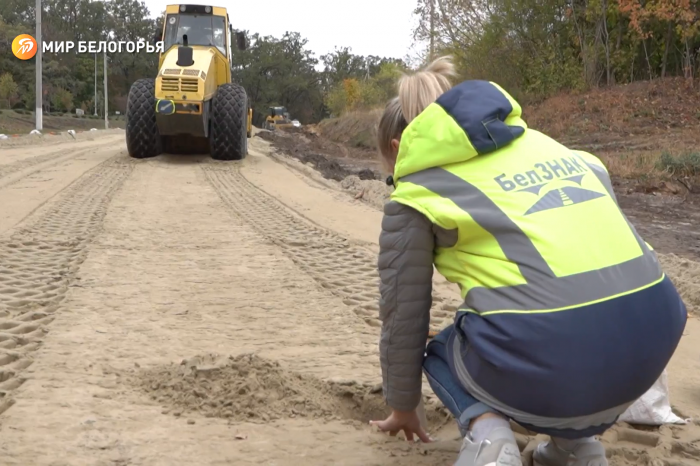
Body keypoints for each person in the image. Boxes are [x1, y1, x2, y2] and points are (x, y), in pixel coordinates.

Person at [369, 56, 687, 466]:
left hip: (561, 356)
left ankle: (489, 441)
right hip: (647, 353)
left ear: (398, 149)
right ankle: (578, 447)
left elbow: (402, 315)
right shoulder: (551, 148)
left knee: (443, 346)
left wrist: (403, 405)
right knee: (565, 319)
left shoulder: (416, 193)